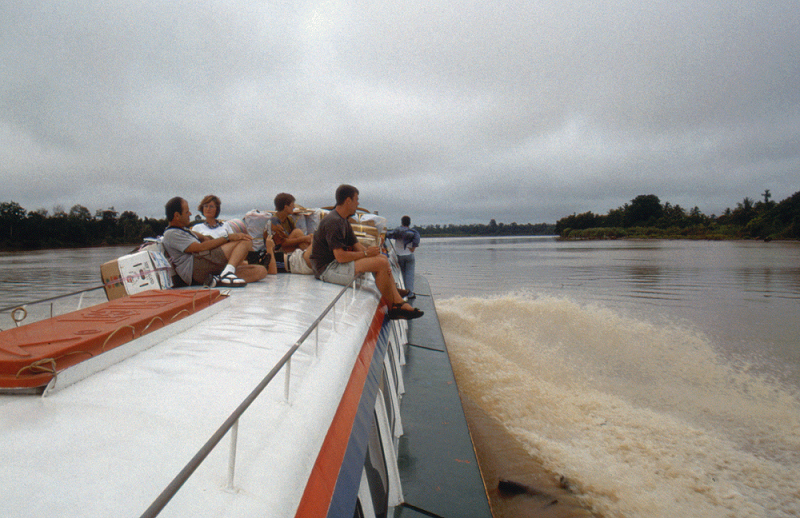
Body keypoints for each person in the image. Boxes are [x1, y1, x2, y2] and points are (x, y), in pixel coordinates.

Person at [310, 185, 423, 320]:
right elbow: (340, 257)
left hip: (335, 264)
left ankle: (393, 293)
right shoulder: (333, 222)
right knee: (380, 263)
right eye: (356, 200)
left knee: (382, 259)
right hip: (327, 269)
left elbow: (357, 246)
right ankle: (396, 305)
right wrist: (366, 255)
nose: (358, 204)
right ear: (348, 201)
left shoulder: (343, 220)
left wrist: (374, 255)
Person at [162, 197, 274, 288]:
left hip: (205, 265)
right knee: (245, 241)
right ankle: (228, 271)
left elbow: (205, 239)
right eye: (187, 212)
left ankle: (218, 279)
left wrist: (204, 237)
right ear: (176, 215)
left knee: (261, 271)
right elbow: (200, 248)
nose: (190, 214)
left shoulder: (183, 230)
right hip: (196, 268)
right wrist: (227, 238)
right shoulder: (171, 234)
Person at [386, 215, 420, 299]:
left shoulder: (397, 231)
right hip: (409, 255)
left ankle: (399, 292)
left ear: (402, 222)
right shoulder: (413, 232)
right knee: (409, 274)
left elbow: (388, 235)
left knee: (400, 274)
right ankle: (410, 293)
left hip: (399, 256)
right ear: (409, 223)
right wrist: (413, 248)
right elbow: (416, 241)